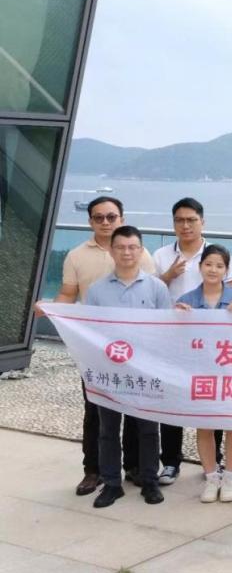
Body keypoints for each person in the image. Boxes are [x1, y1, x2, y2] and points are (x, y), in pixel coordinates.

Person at [38, 196, 155, 496]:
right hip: (95, 350)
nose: (105, 222)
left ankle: (133, 467)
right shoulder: (76, 255)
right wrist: (51, 309)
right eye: (99, 217)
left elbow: (152, 291)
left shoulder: (140, 252)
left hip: (135, 351)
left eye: (111, 217)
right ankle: (94, 470)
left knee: (135, 408)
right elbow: (68, 293)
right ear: (90, 221)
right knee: (96, 412)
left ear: (121, 218)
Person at [152, 197, 232, 486]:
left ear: (203, 222)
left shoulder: (218, 253)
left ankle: (213, 463)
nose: (186, 225)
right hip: (174, 341)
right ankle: (171, 462)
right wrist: (167, 275)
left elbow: (231, 295)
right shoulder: (161, 255)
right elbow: (151, 291)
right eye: (179, 220)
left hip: (213, 346)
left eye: (192, 220)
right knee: (173, 399)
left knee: (212, 400)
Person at [86, 225, 172, 508]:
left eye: (133, 247)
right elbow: (89, 331)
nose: (127, 252)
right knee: (108, 430)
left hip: (145, 373)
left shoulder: (157, 287)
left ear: (141, 250)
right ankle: (112, 484)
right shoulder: (97, 290)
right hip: (110, 372)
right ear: (112, 251)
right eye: (121, 247)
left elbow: (166, 331)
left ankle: (149, 481)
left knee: (148, 429)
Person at [174, 245, 232, 503]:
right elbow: (175, 342)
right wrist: (177, 319)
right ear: (200, 267)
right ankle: (211, 477)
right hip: (200, 373)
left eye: (219, 266)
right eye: (208, 264)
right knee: (205, 425)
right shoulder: (187, 299)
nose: (213, 270)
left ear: (226, 270)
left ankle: (229, 477)